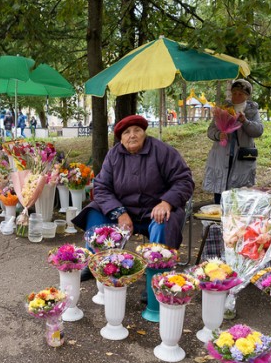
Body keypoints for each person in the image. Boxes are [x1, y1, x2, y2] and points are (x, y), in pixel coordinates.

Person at [72, 114, 194, 280]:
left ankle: (156, 275)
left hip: (154, 210)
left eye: (137, 130)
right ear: (121, 139)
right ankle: (98, 263)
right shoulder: (114, 155)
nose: (132, 135)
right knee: (94, 212)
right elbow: (101, 186)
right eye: (127, 132)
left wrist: (167, 202)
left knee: (164, 221)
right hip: (123, 211)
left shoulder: (163, 151)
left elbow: (184, 180)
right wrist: (119, 212)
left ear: (144, 133)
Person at [203, 79, 264, 204]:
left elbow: (258, 131)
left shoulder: (252, 111)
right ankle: (218, 219)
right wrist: (219, 135)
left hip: (242, 158)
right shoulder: (224, 108)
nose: (236, 96)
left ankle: (235, 220)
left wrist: (245, 121)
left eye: (240, 94)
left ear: (247, 95)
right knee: (220, 191)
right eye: (234, 93)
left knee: (239, 196)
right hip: (221, 156)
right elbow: (210, 131)